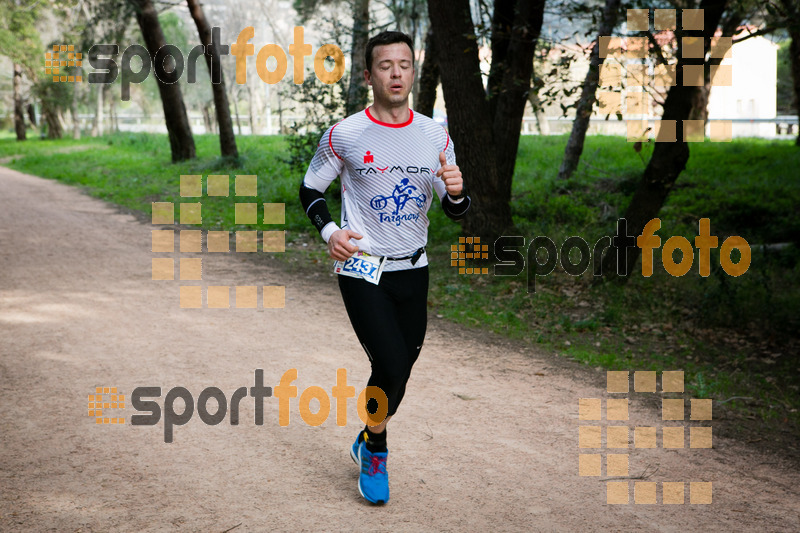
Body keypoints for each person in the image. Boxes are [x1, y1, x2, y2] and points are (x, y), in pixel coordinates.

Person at [298, 30, 471, 505]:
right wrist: (330, 231)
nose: (396, 73)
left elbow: (455, 209)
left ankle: (366, 433)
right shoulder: (345, 134)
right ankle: (376, 448)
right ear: (368, 74)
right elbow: (310, 190)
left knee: (401, 369)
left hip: (414, 267)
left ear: (414, 72)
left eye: (404, 64)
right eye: (385, 66)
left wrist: (456, 192)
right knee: (390, 362)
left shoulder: (435, 135)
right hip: (363, 268)